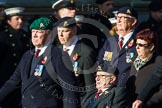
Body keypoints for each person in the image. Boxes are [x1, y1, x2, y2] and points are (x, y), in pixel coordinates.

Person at [0, 17, 79, 108]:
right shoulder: (27, 56)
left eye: (39, 32)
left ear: (49, 34)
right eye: (33, 32)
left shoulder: (58, 55)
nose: (35, 35)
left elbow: (69, 89)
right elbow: (13, 82)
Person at [56, 17, 96, 98]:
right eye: (59, 31)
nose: (60, 35)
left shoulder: (85, 52)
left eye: (65, 31)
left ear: (74, 31)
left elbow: (90, 87)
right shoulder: (57, 51)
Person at [98, 6, 138, 87]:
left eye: (123, 18)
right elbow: (100, 61)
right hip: (108, 88)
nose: (118, 21)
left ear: (133, 21)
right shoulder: (110, 40)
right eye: (117, 17)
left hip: (127, 89)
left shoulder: (138, 41)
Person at [0, 7, 31, 108]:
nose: (20, 21)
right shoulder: (3, 37)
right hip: (7, 78)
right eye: (17, 19)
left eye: (21, 18)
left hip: (23, 78)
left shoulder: (25, 36)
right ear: (9, 21)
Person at [126, 28, 162, 107]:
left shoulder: (159, 62)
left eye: (141, 45)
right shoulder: (134, 59)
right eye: (137, 44)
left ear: (151, 46)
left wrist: (145, 103)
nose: (137, 47)